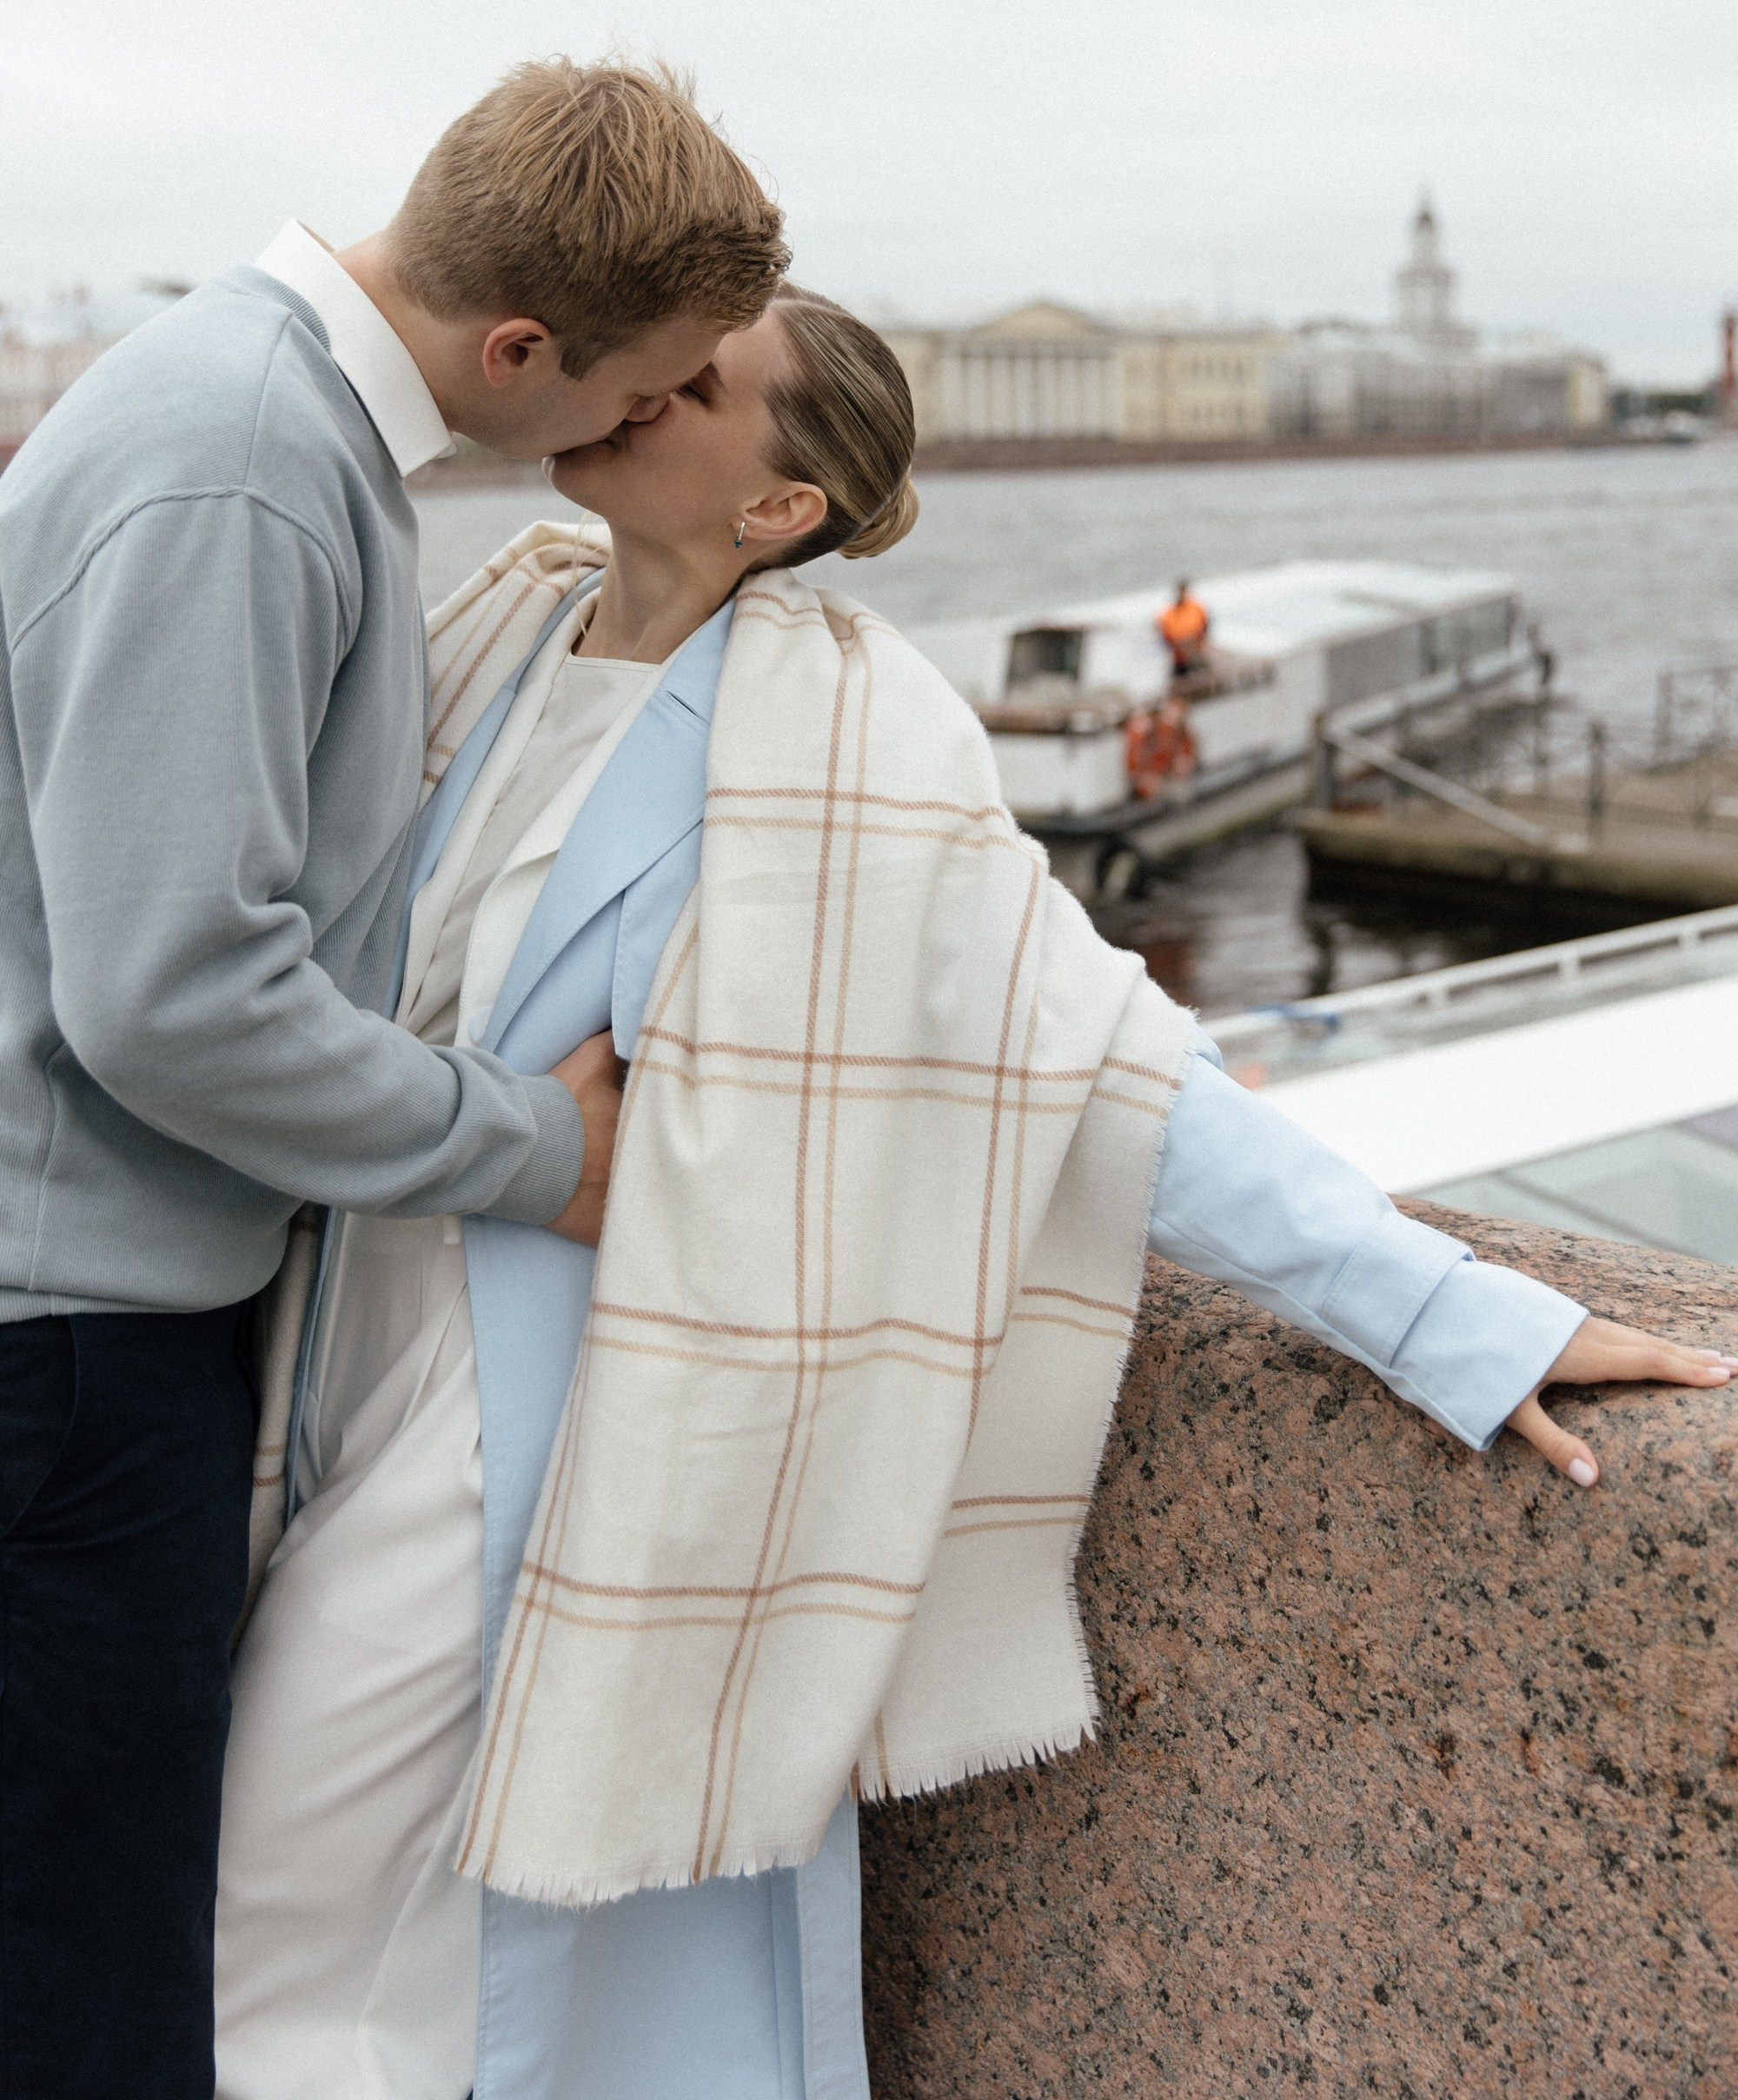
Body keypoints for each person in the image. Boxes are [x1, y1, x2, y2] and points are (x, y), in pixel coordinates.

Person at [213, 285, 1731, 2100]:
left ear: (781, 508)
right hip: (345, 1334)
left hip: (530, 1409)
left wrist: (1458, 1316)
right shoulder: (501, 624)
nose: (639, 385)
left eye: (698, 386)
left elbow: (1112, 1065)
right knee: (318, 1904)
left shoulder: (844, 733)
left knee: (284, 1898)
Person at [0, 58, 788, 2098]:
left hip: (79, 1321)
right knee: (91, 1984)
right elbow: (171, 997)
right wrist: (542, 1148)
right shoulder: (252, 470)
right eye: (634, 385)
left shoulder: (237, 407)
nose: (629, 426)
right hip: (72, 1356)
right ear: (517, 346)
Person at [1158, 575, 1211, 679]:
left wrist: (1196, 639)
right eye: (1180, 591)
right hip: (1179, 656)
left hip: (1196, 649)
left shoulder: (1196, 607)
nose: (1181, 594)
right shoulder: (1168, 612)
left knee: (1201, 670)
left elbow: (1205, 626)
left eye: (1183, 591)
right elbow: (1165, 634)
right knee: (1180, 674)